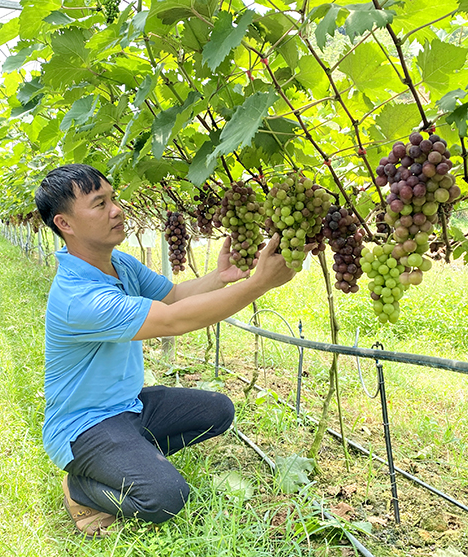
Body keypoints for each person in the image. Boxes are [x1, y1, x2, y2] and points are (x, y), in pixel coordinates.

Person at [35, 164, 298, 538]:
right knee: (166, 498)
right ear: (66, 224)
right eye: (100, 204)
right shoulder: (79, 297)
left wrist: (221, 278)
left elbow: (172, 295)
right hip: (84, 426)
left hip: (128, 406)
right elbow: (173, 319)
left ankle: (127, 456)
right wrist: (257, 286)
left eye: (114, 199)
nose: (117, 210)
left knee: (217, 411)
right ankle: (80, 487)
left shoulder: (118, 264)